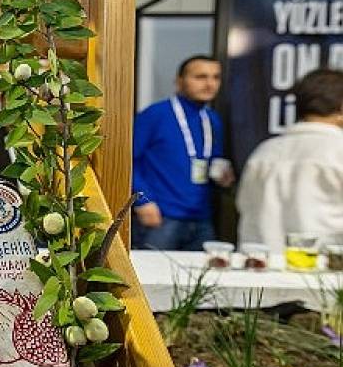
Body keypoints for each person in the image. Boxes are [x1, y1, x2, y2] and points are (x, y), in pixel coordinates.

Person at [131, 55, 235, 250]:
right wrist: (143, 201)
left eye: (215, 77)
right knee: (151, 270)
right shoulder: (155, 114)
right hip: (161, 217)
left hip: (202, 218)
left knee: (204, 271)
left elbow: (211, 162)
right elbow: (128, 161)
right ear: (179, 81)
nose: (210, 84)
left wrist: (223, 176)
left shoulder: (212, 119)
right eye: (200, 77)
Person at [237, 69, 343, 251]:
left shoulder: (264, 152)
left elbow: (245, 208)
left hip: (263, 262)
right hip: (324, 264)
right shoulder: (338, 150)